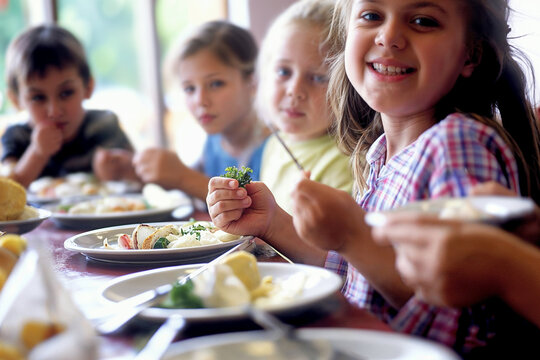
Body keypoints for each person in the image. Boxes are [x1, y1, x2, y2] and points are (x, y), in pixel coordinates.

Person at [207, 0, 540, 358]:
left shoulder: (457, 146)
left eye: (423, 20)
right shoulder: (383, 152)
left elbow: (458, 324)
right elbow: (359, 273)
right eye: (371, 15)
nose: (390, 35)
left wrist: (354, 236)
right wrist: (274, 223)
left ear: (470, 54)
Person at [132, 20, 269, 202]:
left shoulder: (274, 146)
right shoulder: (215, 140)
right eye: (189, 89)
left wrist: (182, 177)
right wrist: (136, 171)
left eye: (215, 84)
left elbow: (263, 212)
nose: (200, 100)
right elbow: (193, 180)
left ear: (252, 83)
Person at [1, 25, 136, 188]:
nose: (55, 111)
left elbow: (142, 177)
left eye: (66, 93)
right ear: (16, 100)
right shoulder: (16, 137)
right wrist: (37, 153)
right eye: (38, 97)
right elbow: (7, 192)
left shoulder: (103, 125)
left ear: (88, 87)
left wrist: (120, 171)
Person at [254, 0, 354, 212]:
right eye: (283, 72)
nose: (295, 90)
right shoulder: (274, 144)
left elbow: (333, 245)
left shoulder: (345, 162)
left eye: (318, 78)